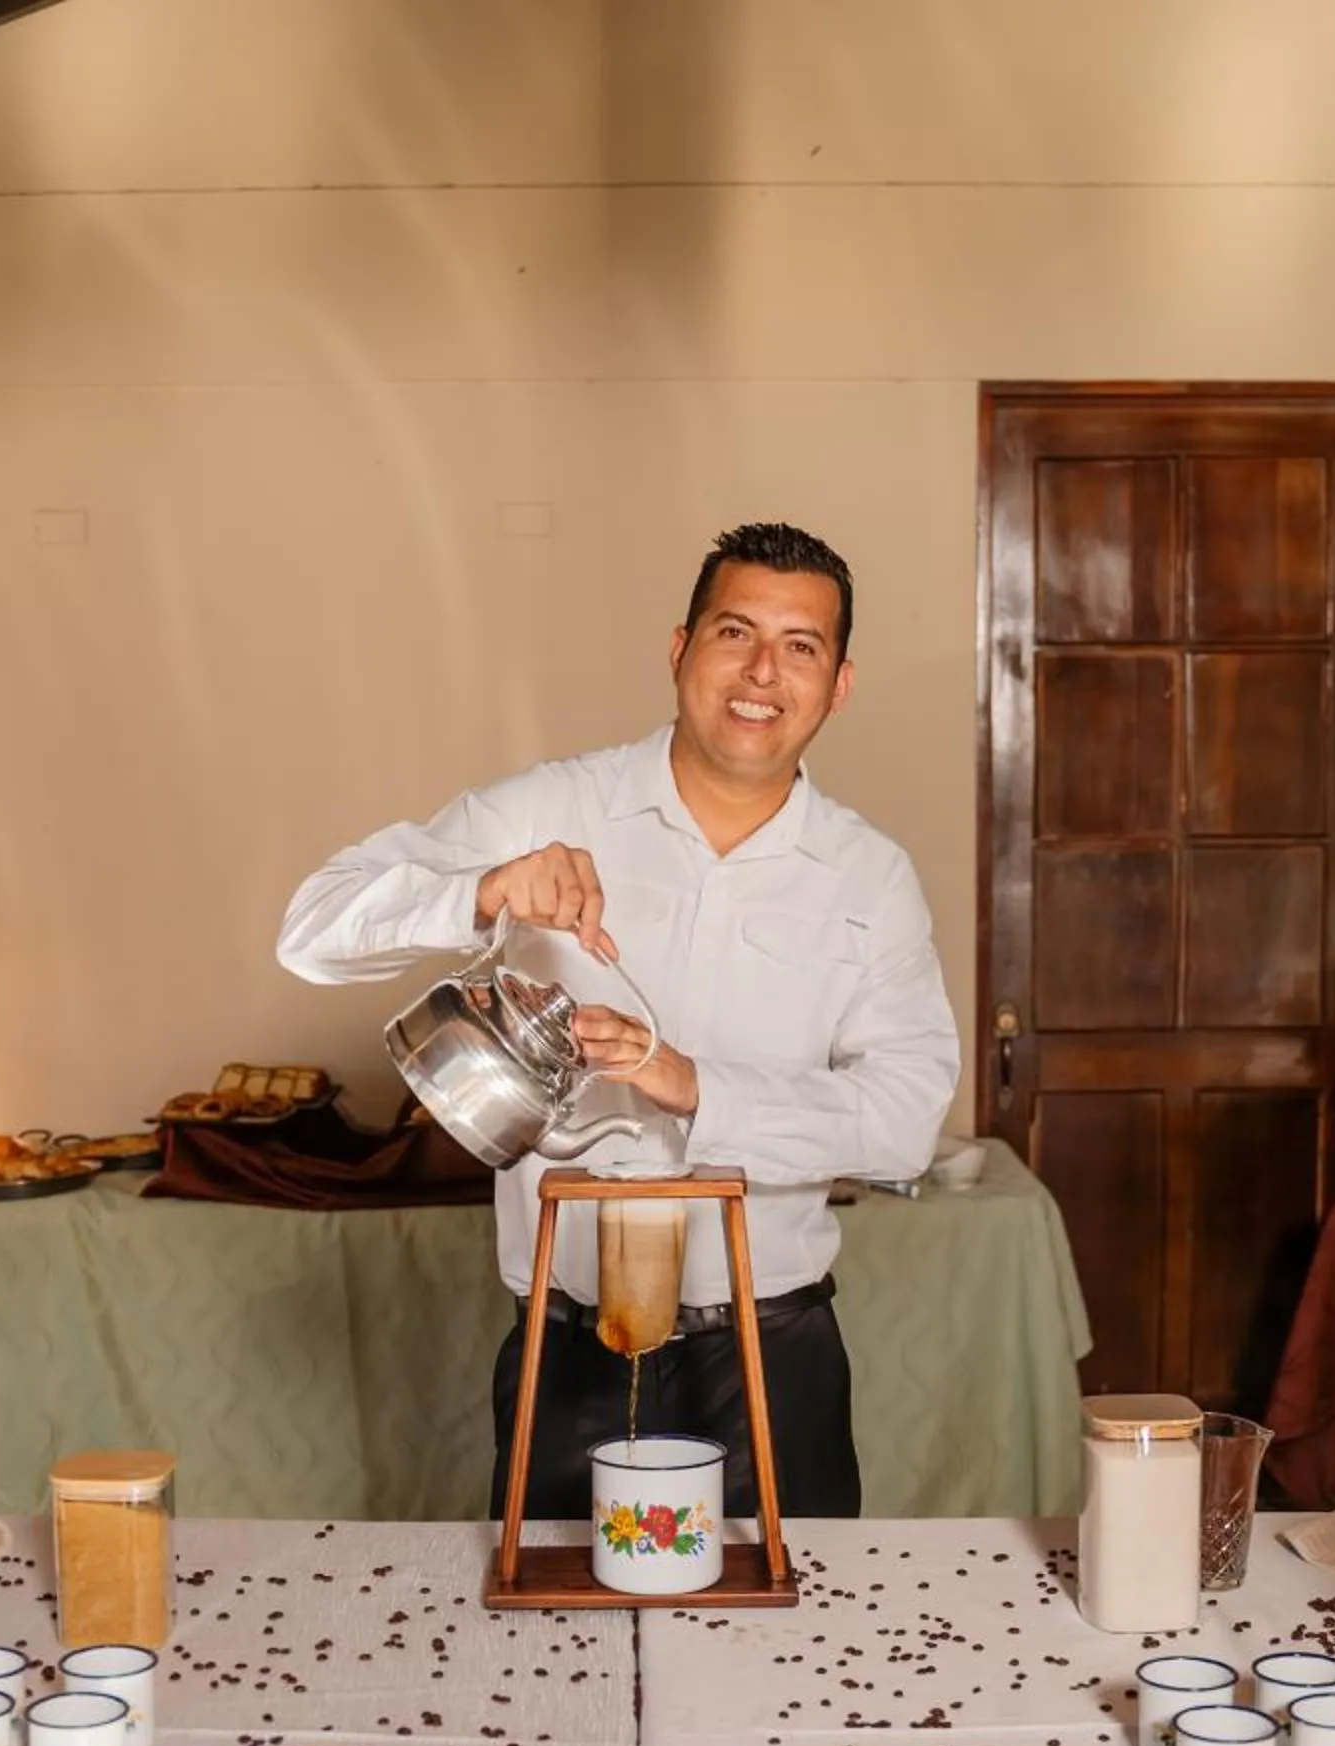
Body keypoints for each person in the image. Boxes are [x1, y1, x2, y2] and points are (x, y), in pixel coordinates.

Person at [277, 522, 960, 1521]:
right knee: (555, 1650)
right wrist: (482, 889)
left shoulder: (870, 874)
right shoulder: (556, 803)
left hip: (776, 1353)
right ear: (680, 647)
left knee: (782, 1659)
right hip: (569, 1350)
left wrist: (697, 1085)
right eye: (735, 632)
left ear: (838, 683)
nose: (763, 671)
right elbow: (310, 928)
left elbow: (903, 1119)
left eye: (800, 646)